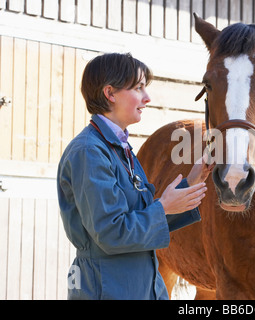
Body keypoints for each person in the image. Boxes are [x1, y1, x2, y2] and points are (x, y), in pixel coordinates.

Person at [57, 52, 213, 300]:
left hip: (145, 288)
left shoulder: (121, 148)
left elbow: (139, 218)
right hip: (108, 289)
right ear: (110, 94)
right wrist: (163, 207)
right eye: (139, 88)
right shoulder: (89, 152)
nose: (147, 98)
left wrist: (191, 181)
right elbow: (110, 232)